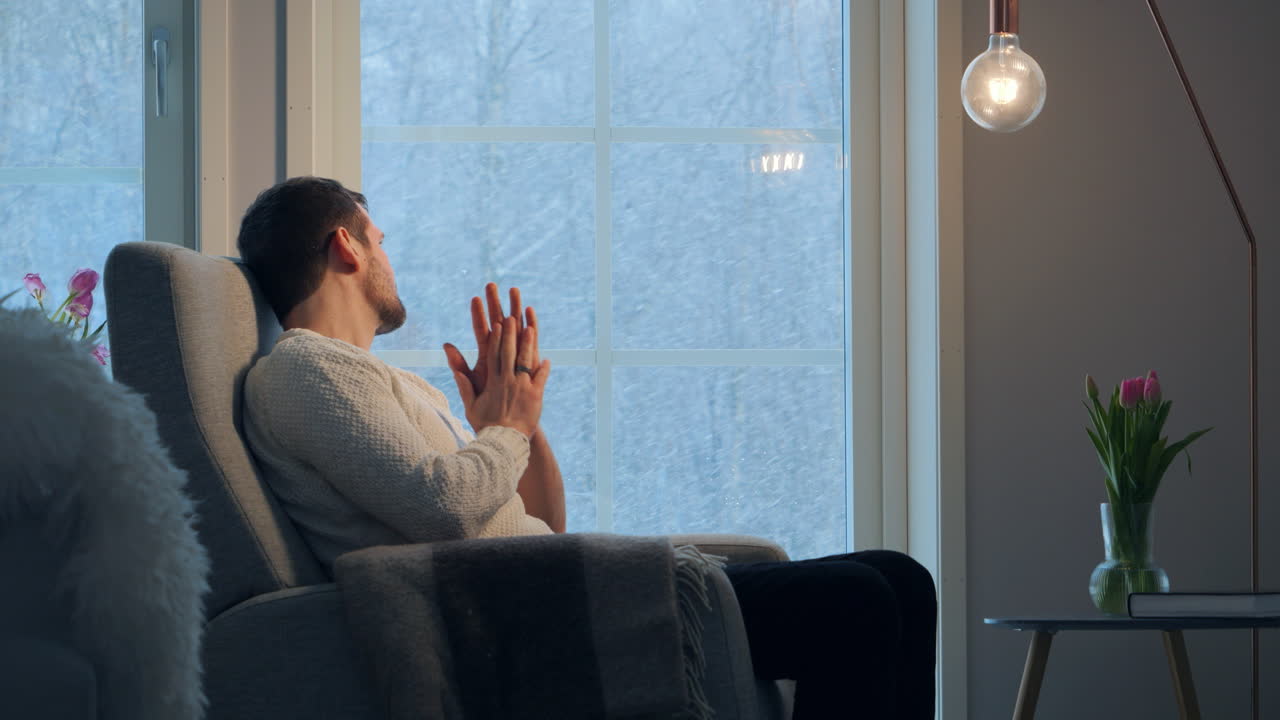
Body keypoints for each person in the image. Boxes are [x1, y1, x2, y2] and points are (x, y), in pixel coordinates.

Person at [239, 176, 936, 718]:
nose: (388, 257)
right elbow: (443, 509)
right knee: (857, 599)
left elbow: (539, 521)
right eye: (380, 239)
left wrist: (520, 420)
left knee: (901, 578)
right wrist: (500, 430)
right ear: (345, 247)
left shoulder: (378, 379)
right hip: (516, 614)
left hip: (541, 577)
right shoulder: (305, 370)